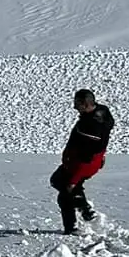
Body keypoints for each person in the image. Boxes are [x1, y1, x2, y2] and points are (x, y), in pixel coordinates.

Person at [49, 88, 113, 234]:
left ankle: (80, 216)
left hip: (81, 165)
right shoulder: (102, 112)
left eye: (77, 104)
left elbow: (86, 157)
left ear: (85, 104)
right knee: (63, 186)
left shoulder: (90, 127)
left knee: (64, 187)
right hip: (91, 162)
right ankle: (82, 211)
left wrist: (74, 180)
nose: (74, 107)